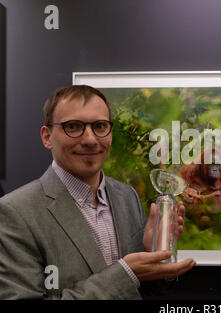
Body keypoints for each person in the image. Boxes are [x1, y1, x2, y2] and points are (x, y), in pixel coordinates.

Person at [0, 85, 196, 299]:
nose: (90, 139)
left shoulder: (127, 196)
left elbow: (142, 291)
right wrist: (125, 273)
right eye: (73, 127)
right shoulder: (14, 213)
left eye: (100, 126)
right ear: (47, 137)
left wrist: (154, 256)